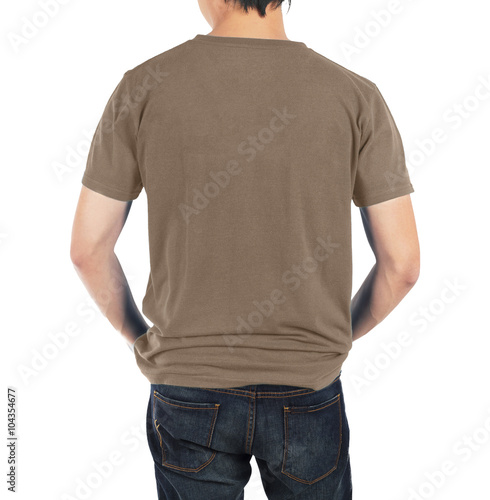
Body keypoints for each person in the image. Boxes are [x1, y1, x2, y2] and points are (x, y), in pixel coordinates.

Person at [70, 0, 420, 498]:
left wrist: (142, 339)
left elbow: (87, 249)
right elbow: (402, 266)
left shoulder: (142, 88)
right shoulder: (354, 96)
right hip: (308, 389)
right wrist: (330, 339)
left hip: (188, 389)